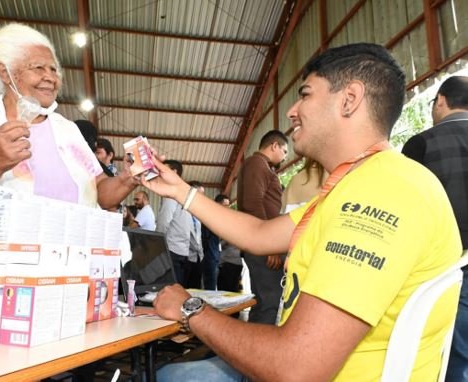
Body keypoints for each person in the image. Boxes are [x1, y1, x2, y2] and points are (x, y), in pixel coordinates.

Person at [144, 43, 461, 381]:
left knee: (168, 376)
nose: (292, 110)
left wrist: (191, 309)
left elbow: (296, 367)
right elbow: (258, 234)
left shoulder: (381, 190)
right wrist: (180, 190)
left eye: (305, 94)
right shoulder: (357, 186)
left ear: (349, 99)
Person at [0, 23, 137, 211]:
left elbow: (100, 191)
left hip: (68, 258)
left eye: (53, 70)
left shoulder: (68, 130)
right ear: (6, 73)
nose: (50, 77)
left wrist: (127, 179)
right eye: (39, 68)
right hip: (0, 259)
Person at [401, 76, 468, 382]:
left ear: (440, 100)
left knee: (450, 356)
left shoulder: (421, 145)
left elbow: (405, 212)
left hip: (444, 271)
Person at [237, 130, 288, 324]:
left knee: (264, 302)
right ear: (274, 146)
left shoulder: (261, 166)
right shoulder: (257, 164)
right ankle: (257, 352)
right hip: (263, 244)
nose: (284, 157)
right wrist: (269, 244)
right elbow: (252, 203)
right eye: (284, 151)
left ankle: (250, 350)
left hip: (263, 242)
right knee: (269, 302)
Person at [156, 160, 191, 286]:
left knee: (168, 289)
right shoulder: (185, 194)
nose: (159, 174)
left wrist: (156, 245)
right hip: (183, 250)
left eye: (162, 170)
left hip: (170, 249)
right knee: (178, 289)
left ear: (174, 172)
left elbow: (163, 222)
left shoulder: (170, 193)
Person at [201, 194, 230, 290]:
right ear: (217, 204)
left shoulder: (219, 219)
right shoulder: (210, 218)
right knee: (210, 289)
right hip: (209, 258)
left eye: (228, 206)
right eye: (225, 205)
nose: (227, 208)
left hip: (216, 257)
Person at [185, 181, 204, 288]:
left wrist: (201, 253)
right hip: (186, 257)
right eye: (199, 194)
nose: (202, 198)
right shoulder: (184, 211)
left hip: (198, 257)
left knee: (196, 289)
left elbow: (199, 237)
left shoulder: (198, 214)